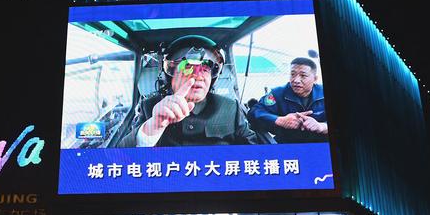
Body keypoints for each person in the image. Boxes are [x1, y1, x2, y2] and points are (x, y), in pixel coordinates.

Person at [119, 35, 258, 147]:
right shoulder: (150, 107)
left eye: (205, 69)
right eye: (187, 68)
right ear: (170, 76)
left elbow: (253, 148)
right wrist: (154, 125)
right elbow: (120, 158)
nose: (198, 76)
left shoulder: (230, 107)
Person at [247, 57, 328, 143]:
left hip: (322, 144)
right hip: (287, 143)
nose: (296, 80)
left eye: (303, 76)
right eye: (292, 74)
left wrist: (322, 127)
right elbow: (254, 112)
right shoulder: (277, 93)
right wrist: (279, 120)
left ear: (315, 79)